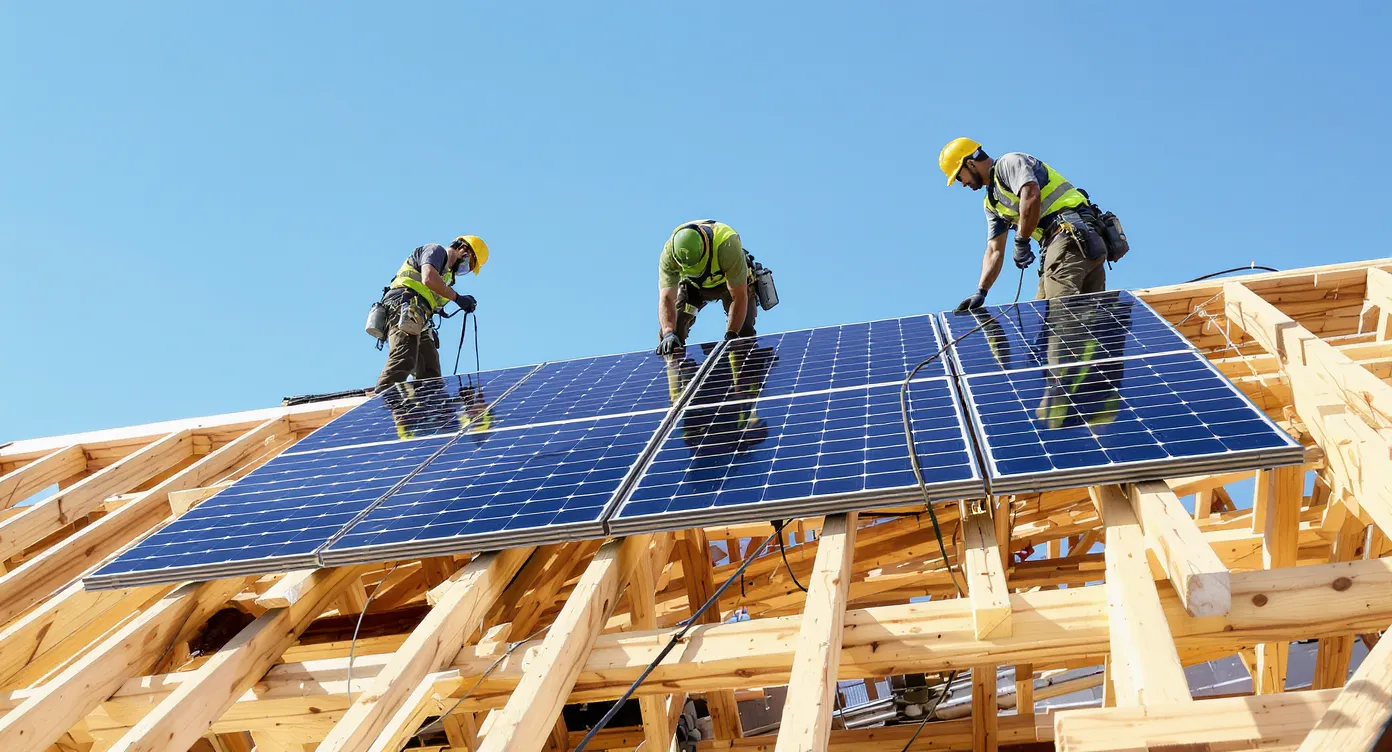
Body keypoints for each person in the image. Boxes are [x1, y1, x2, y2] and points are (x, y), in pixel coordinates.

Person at [940, 138, 1108, 312]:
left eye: (959, 176)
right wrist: (981, 291)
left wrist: (1021, 239)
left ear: (970, 163)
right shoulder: (992, 204)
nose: (963, 183)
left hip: (1069, 234)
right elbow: (994, 250)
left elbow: (1031, 194)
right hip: (1069, 243)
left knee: (1060, 315)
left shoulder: (1009, 163)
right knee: (1055, 318)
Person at [374, 236, 489, 391]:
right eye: (470, 264)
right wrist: (457, 298)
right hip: (403, 305)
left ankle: (426, 408)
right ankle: (383, 399)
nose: (466, 269)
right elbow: (428, 278)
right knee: (405, 357)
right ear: (464, 250)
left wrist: (460, 303)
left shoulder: (447, 277)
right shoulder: (436, 251)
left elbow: (434, 301)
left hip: (420, 316)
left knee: (430, 373)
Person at [656, 220, 757, 355]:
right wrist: (668, 333)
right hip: (693, 285)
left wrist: (731, 335)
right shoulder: (669, 254)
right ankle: (680, 373)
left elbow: (738, 296)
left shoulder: (727, 245)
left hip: (728, 283)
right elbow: (667, 298)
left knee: (741, 336)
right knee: (673, 335)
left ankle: (744, 372)